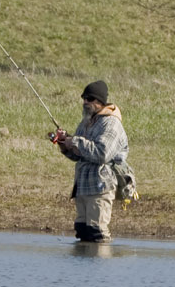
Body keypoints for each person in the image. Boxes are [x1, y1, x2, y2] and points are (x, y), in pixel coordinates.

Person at [57, 80, 129, 243]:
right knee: (83, 230)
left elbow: (102, 153)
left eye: (89, 99)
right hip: (82, 186)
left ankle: (101, 266)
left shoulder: (111, 123)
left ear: (100, 102)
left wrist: (74, 141)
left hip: (100, 186)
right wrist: (64, 144)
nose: (85, 102)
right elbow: (78, 155)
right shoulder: (86, 122)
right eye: (83, 98)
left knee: (97, 233)